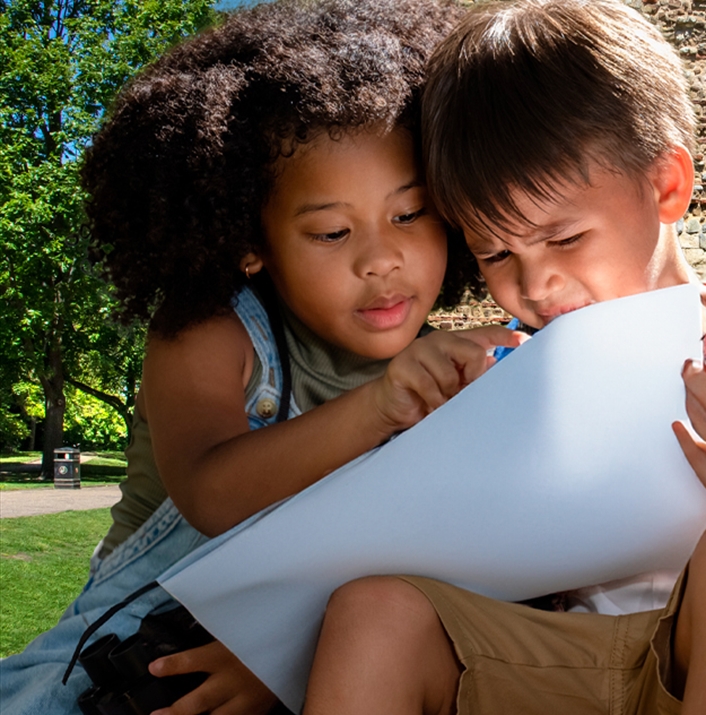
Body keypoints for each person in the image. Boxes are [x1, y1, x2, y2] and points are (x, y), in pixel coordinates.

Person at [303, 0, 706, 713]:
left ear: (665, 186)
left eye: (563, 239)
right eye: (496, 252)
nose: (534, 286)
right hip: (557, 672)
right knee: (373, 613)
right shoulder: (503, 382)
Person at [0, 1, 521, 714]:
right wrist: (379, 407)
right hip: (106, 681)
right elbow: (213, 493)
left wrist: (286, 654)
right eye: (332, 232)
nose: (382, 259)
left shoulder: (448, 379)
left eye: (409, 213)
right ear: (251, 241)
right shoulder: (212, 331)